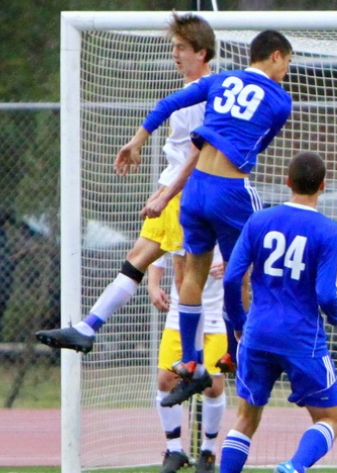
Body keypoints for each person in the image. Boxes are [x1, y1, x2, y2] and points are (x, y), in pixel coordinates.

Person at [113, 30, 294, 409]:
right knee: (244, 273)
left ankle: (193, 361)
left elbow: (169, 103)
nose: (287, 71)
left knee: (191, 278)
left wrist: (137, 141)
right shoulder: (280, 100)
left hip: (193, 192)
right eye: (287, 63)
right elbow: (255, 143)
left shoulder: (218, 80)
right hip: (232, 192)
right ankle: (239, 351)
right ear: (276, 56)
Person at [35, 13, 215, 355]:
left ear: (202, 53)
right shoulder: (193, 91)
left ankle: (198, 363)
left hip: (186, 196)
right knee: (152, 266)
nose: (175, 54)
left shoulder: (198, 96)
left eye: (182, 48)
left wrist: (167, 194)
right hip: (178, 192)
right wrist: (164, 188)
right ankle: (90, 328)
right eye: (173, 47)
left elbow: (198, 157)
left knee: (180, 278)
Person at [209, 152, 337, 473]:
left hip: (256, 333)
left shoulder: (259, 221)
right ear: (322, 184)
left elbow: (232, 277)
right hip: (301, 338)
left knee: (246, 417)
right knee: (330, 418)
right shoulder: (328, 230)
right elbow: (325, 295)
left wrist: (238, 324)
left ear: (287, 181)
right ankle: (295, 466)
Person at [147, 248, 227, 473]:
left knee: (213, 385)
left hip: (215, 314)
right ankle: (174, 450)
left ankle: (208, 451)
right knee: (165, 380)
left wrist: (232, 266)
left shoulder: (227, 220)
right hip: (179, 314)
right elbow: (158, 251)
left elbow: (250, 256)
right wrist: (153, 285)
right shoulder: (178, 220)